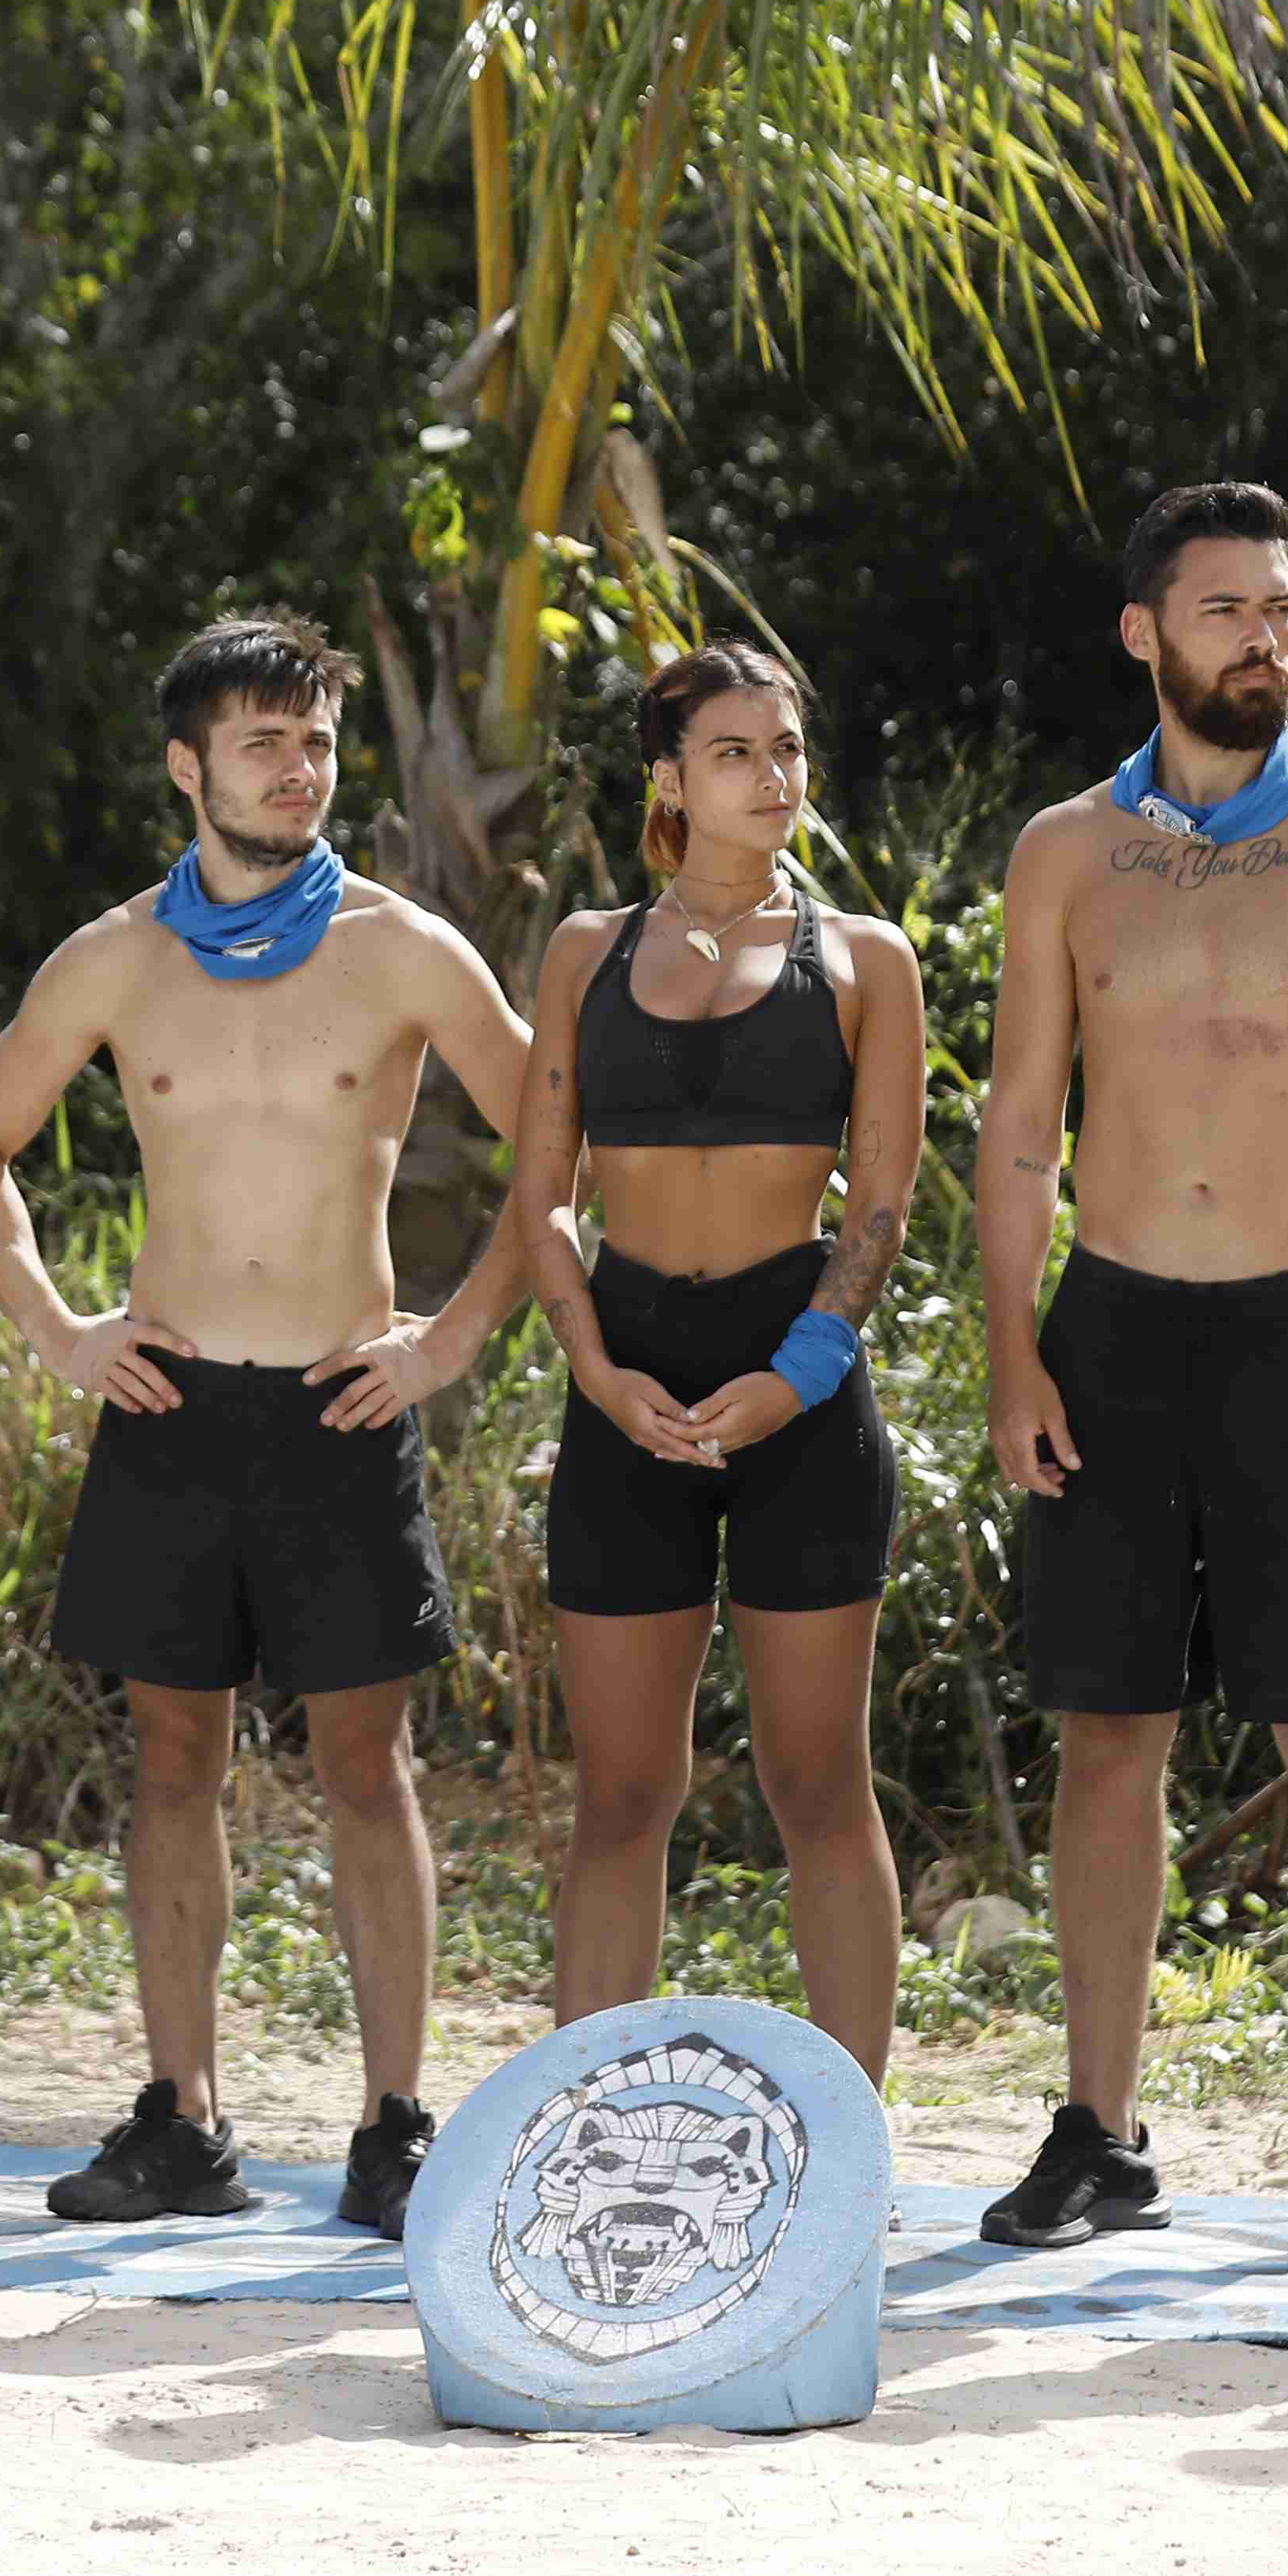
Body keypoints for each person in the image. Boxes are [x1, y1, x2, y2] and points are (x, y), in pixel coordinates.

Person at [0, 612, 536, 2239]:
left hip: (344, 1398)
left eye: (317, 740)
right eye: (264, 742)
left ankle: (392, 2126)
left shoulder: (405, 949)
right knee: (172, 1759)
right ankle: (183, 2120)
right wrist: (59, 1329)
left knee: (366, 1766)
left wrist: (452, 1338)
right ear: (186, 767)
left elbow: (557, 1145)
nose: (299, 769)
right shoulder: (115, 957)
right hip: (173, 1403)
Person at [972, 482, 1288, 2265]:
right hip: (1110, 1330)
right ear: (1144, 634)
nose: (1263, 637)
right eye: (1224, 609)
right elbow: (1018, 1124)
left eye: (1280, 607)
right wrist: (1013, 1351)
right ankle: (1098, 2129)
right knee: (1107, 1734)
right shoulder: (1063, 853)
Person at [511, 644, 927, 2076]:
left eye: (787, 747)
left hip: (796, 1388)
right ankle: (579, 2122)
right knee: (622, 1796)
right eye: (736, 752)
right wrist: (593, 1367)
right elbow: (541, 1196)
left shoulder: (864, 959)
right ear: (670, 779)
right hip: (622, 1382)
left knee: (818, 1784)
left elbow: (877, 1209)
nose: (773, 776)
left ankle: (851, 2139)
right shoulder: (585, 949)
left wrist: (795, 1375)